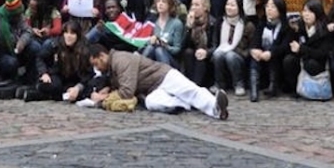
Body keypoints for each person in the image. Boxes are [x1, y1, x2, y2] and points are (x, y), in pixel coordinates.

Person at [87, 43, 229, 120]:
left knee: (190, 90)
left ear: (102, 56)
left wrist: (104, 98)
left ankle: (215, 107)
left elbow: (127, 91)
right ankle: (184, 104)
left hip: (164, 76)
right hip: (152, 89)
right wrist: (108, 89)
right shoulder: (112, 67)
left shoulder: (121, 60)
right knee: (152, 103)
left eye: (96, 63)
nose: (96, 68)